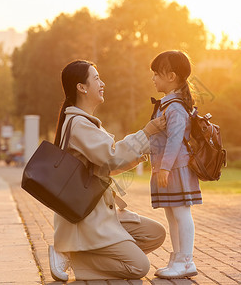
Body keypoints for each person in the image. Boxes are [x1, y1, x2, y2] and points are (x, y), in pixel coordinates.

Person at [48, 60, 167, 281]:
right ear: (81, 87)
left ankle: (89, 251)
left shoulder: (88, 122)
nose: (102, 83)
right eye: (96, 78)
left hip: (102, 212)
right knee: (138, 267)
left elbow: (106, 166)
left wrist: (140, 153)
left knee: (155, 234)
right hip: (88, 216)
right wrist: (146, 133)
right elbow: (111, 156)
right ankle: (71, 255)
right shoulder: (78, 124)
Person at [149, 51, 201, 279]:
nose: (153, 79)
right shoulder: (168, 105)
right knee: (172, 214)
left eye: (156, 74)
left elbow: (175, 139)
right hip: (169, 169)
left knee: (181, 213)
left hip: (176, 169)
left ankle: (186, 260)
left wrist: (165, 167)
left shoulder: (175, 107)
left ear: (171, 76)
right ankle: (178, 257)